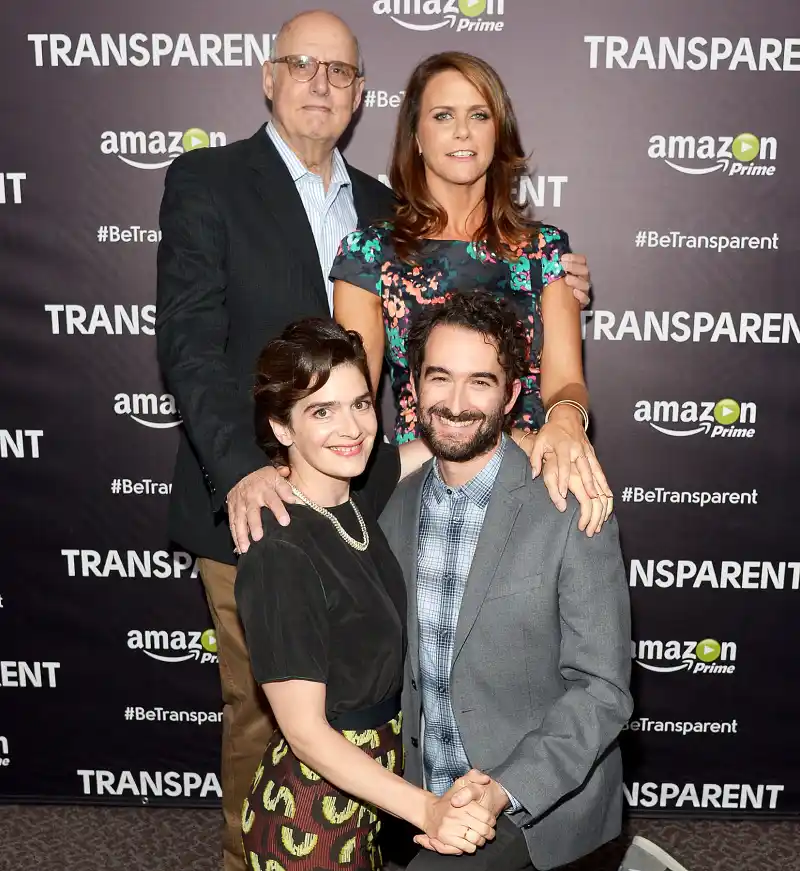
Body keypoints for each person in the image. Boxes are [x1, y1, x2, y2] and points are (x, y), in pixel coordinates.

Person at [156, 11, 594, 869]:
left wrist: (561, 324)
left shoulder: (387, 209)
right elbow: (191, 347)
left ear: (361, 95)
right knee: (270, 720)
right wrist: (249, 469)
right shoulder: (213, 183)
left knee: (423, 700)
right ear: (268, 76)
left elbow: (494, 314)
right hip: (268, 499)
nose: (321, 84)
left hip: (418, 492)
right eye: (302, 65)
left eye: (340, 72)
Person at [379, 292, 633, 870]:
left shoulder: (570, 504)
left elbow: (602, 691)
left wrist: (501, 790)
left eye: (480, 382)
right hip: (420, 798)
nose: (456, 404)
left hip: (531, 803)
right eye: (440, 378)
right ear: (413, 387)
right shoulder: (393, 508)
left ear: (512, 395)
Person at [234, 318, 498, 870]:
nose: (350, 428)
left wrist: (551, 436)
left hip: (368, 801)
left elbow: (439, 447)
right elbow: (305, 734)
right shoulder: (280, 552)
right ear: (282, 428)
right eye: (321, 412)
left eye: (359, 404)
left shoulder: (354, 496)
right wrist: (426, 810)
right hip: (309, 816)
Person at [331, 51, 613, 524]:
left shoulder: (544, 251)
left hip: (529, 485)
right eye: (444, 116)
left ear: (498, 132)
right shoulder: (370, 254)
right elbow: (353, 394)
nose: (463, 131)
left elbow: (566, 380)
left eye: (479, 115)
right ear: (416, 137)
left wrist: (566, 420)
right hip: (419, 485)